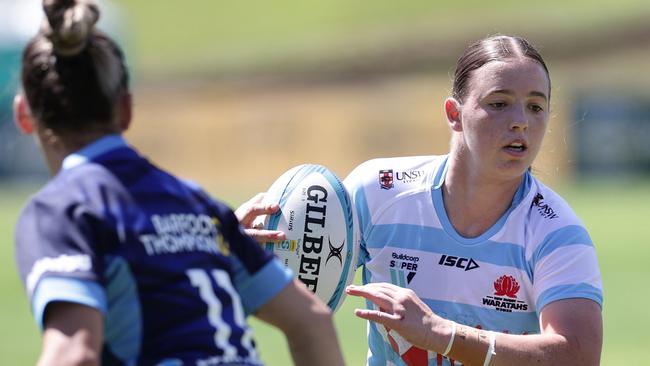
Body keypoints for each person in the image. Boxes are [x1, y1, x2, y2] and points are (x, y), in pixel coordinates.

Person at [12, 1, 344, 365]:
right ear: (126, 110)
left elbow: (74, 355)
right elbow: (312, 321)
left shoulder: (62, 210)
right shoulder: (199, 204)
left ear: (24, 116)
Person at [340, 35, 603, 365]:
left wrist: (443, 335)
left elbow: (577, 354)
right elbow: (300, 277)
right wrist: (260, 239)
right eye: (498, 103)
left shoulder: (556, 232)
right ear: (454, 114)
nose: (520, 121)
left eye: (536, 107)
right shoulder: (378, 192)